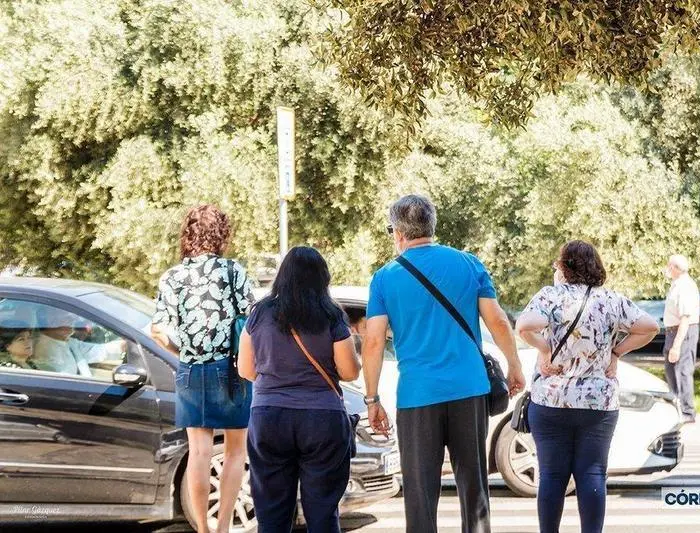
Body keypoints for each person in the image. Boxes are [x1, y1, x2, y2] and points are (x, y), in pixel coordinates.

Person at [362, 194, 525, 533]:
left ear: (398, 232)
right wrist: (514, 366)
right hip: (469, 392)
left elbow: (374, 341)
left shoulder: (385, 278)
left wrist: (372, 398)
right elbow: (496, 321)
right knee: (474, 489)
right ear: (432, 227)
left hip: (418, 397)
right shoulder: (469, 264)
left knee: (420, 495)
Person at [516, 240, 659, 533]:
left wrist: (545, 350)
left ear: (564, 267)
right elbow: (650, 327)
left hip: (551, 401)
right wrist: (616, 352)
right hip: (598, 402)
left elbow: (524, 325)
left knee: (553, 475)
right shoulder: (612, 300)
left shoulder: (551, 297)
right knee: (592, 473)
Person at [237, 246, 360, 533]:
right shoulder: (331, 315)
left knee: (271, 514)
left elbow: (245, 369)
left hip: (269, 418)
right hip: (322, 420)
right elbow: (349, 371)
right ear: (322, 278)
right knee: (322, 513)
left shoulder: (260, 313)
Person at [151, 204, 255, 533]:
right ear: (221, 233)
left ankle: (203, 530)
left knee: (199, 452)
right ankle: (223, 526)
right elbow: (253, 320)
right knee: (236, 451)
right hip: (232, 369)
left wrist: (183, 350)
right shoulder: (233, 271)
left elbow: (158, 329)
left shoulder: (173, 276)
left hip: (191, 370)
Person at [663, 253, 700, 423]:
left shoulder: (685, 286)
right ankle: (677, 408)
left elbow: (685, 318)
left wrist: (676, 345)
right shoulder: (677, 284)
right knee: (671, 370)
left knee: (683, 370)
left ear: (676, 268)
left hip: (682, 332)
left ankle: (687, 411)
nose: (668, 269)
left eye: (670, 266)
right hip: (674, 331)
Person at [33, 308, 124, 376]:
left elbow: (98, 350)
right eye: (67, 318)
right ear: (51, 322)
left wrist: (126, 344)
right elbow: (61, 381)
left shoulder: (69, 342)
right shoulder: (42, 349)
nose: (73, 321)